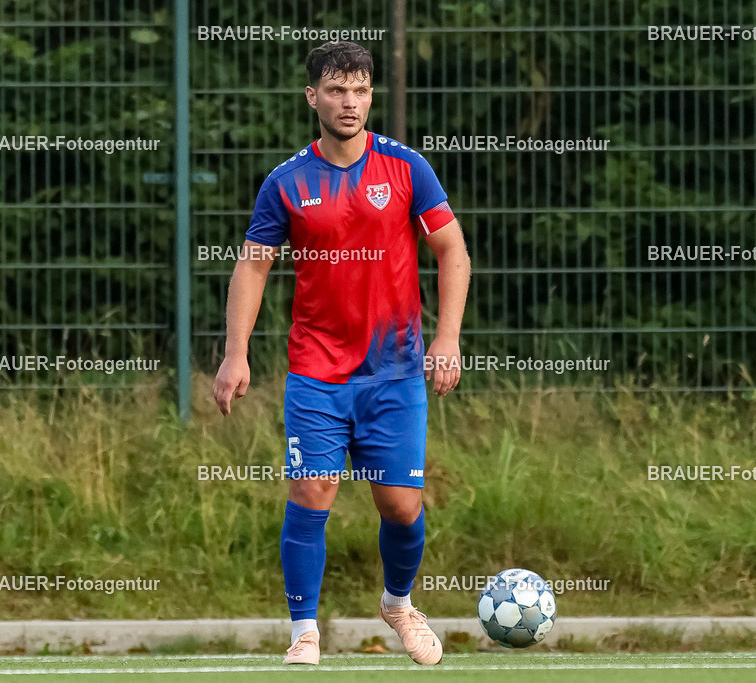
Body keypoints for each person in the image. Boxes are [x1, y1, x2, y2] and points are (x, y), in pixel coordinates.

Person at [212, 40, 471, 667]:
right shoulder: (287, 181)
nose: (348, 102)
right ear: (313, 98)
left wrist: (446, 337)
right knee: (313, 492)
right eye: (336, 90)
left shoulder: (408, 169)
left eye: (358, 89)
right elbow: (253, 265)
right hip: (316, 370)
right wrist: (235, 353)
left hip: (396, 370)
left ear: (370, 95)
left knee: (401, 505)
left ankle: (397, 604)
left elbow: (452, 252)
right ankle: (304, 631)